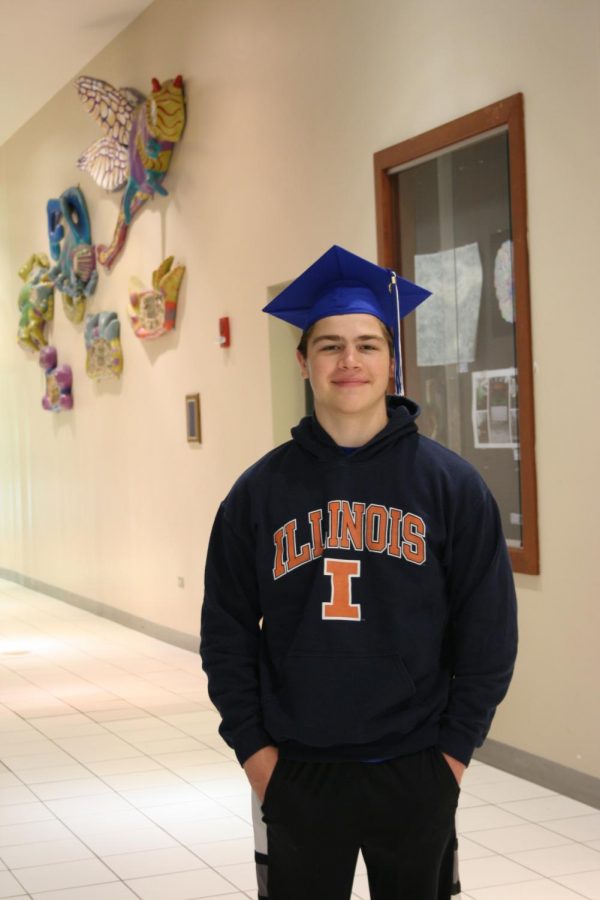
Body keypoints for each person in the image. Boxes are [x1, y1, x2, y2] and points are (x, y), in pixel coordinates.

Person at [200, 245, 518, 900]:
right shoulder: (257, 495)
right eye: (330, 346)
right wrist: (256, 756)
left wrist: (453, 757)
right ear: (303, 361)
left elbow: (488, 636)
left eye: (368, 345)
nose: (350, 362)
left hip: (417, 766)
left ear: (392, 360)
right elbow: (226, 637)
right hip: (297, 769)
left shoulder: (451, 487)